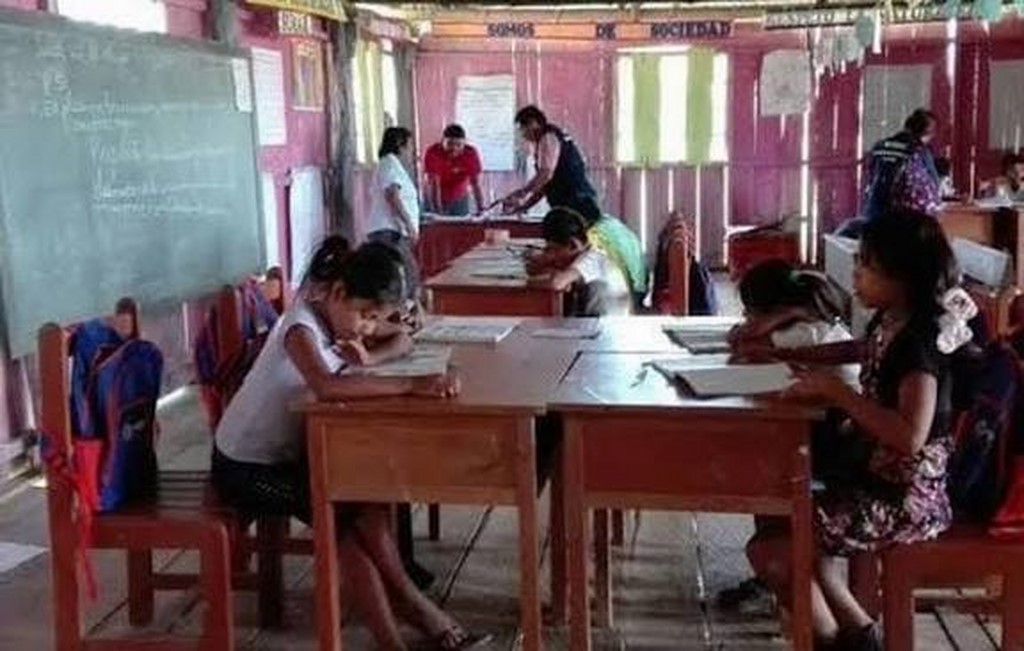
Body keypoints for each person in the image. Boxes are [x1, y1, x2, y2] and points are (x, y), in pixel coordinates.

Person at [212, 237, 489, 651]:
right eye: (364, 315)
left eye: (375, 318)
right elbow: (326, 386)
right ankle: (404, 623)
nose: (367, 327)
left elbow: (405, 337)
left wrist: (374, 355)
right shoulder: (301, 326)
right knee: (340, 517)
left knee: (364, 500)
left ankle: (412, 611)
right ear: (339, 292)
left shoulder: (342, 318)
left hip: (293, 458)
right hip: (244, 469)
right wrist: (410, 385)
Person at [746, 210, 966, 651]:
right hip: (874, 480)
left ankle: (833, 639)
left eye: (866, 264)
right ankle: (861, 638)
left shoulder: (919, 345)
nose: (855, 272)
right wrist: (794, 356)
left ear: (903, 276)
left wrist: (837, 392)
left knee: (771, 552)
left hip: (904, 499)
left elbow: (910, 437)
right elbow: (862, 349)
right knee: (778, 515)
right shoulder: (893, 321)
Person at [729, 259, 849, 360]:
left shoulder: (804, 332)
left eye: (749, 310)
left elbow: (742, 344)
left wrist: (766, 323)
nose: (745, 314)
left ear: (773, 309)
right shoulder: (807, 318)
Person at [498, 105, 599, 218]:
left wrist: (523, 192)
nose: (523, 135)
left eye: (522, 129)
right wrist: (524, 207)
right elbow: (544, 185)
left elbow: (546, 174)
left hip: (576, 202)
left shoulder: (548, 137)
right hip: (568, 203)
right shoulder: (549, 139)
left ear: (533, 123)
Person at [529, 207, 631, 316]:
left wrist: (530, 282)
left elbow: (557, 284)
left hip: (605, 322)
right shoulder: (592, 248)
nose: (554, 256)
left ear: (573, 244)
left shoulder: (593, 257)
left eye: (556, 250)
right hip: (595, 318)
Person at [367, 127, 422, 303]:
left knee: (403, 274)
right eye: (409, 145)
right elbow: (392, 196)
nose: (411, 150)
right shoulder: (389, 164)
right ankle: (404, 309)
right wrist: (408, 223)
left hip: (392, 229)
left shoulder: (392, 165)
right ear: (400, 145)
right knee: (406, 274)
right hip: (389, 230)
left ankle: (404, 308)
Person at [859, 109, 941, 224]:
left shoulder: (879, 146)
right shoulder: (918, 151)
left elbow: (869, 178)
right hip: (905, 219)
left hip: (874, 213)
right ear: (928, 133)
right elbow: (934, 185)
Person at [423, 124, 485, 216]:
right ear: (442, 141)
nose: (454, 148)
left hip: (459, 197)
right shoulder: (433, 152)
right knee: (436, 222)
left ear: (464, 143)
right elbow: (434, 185)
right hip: (434, 197)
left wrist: (481, 209)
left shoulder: (470, 153)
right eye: (450, 144)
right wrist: (438, 213)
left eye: (458, 145)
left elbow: (476, 184)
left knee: (460, 223)